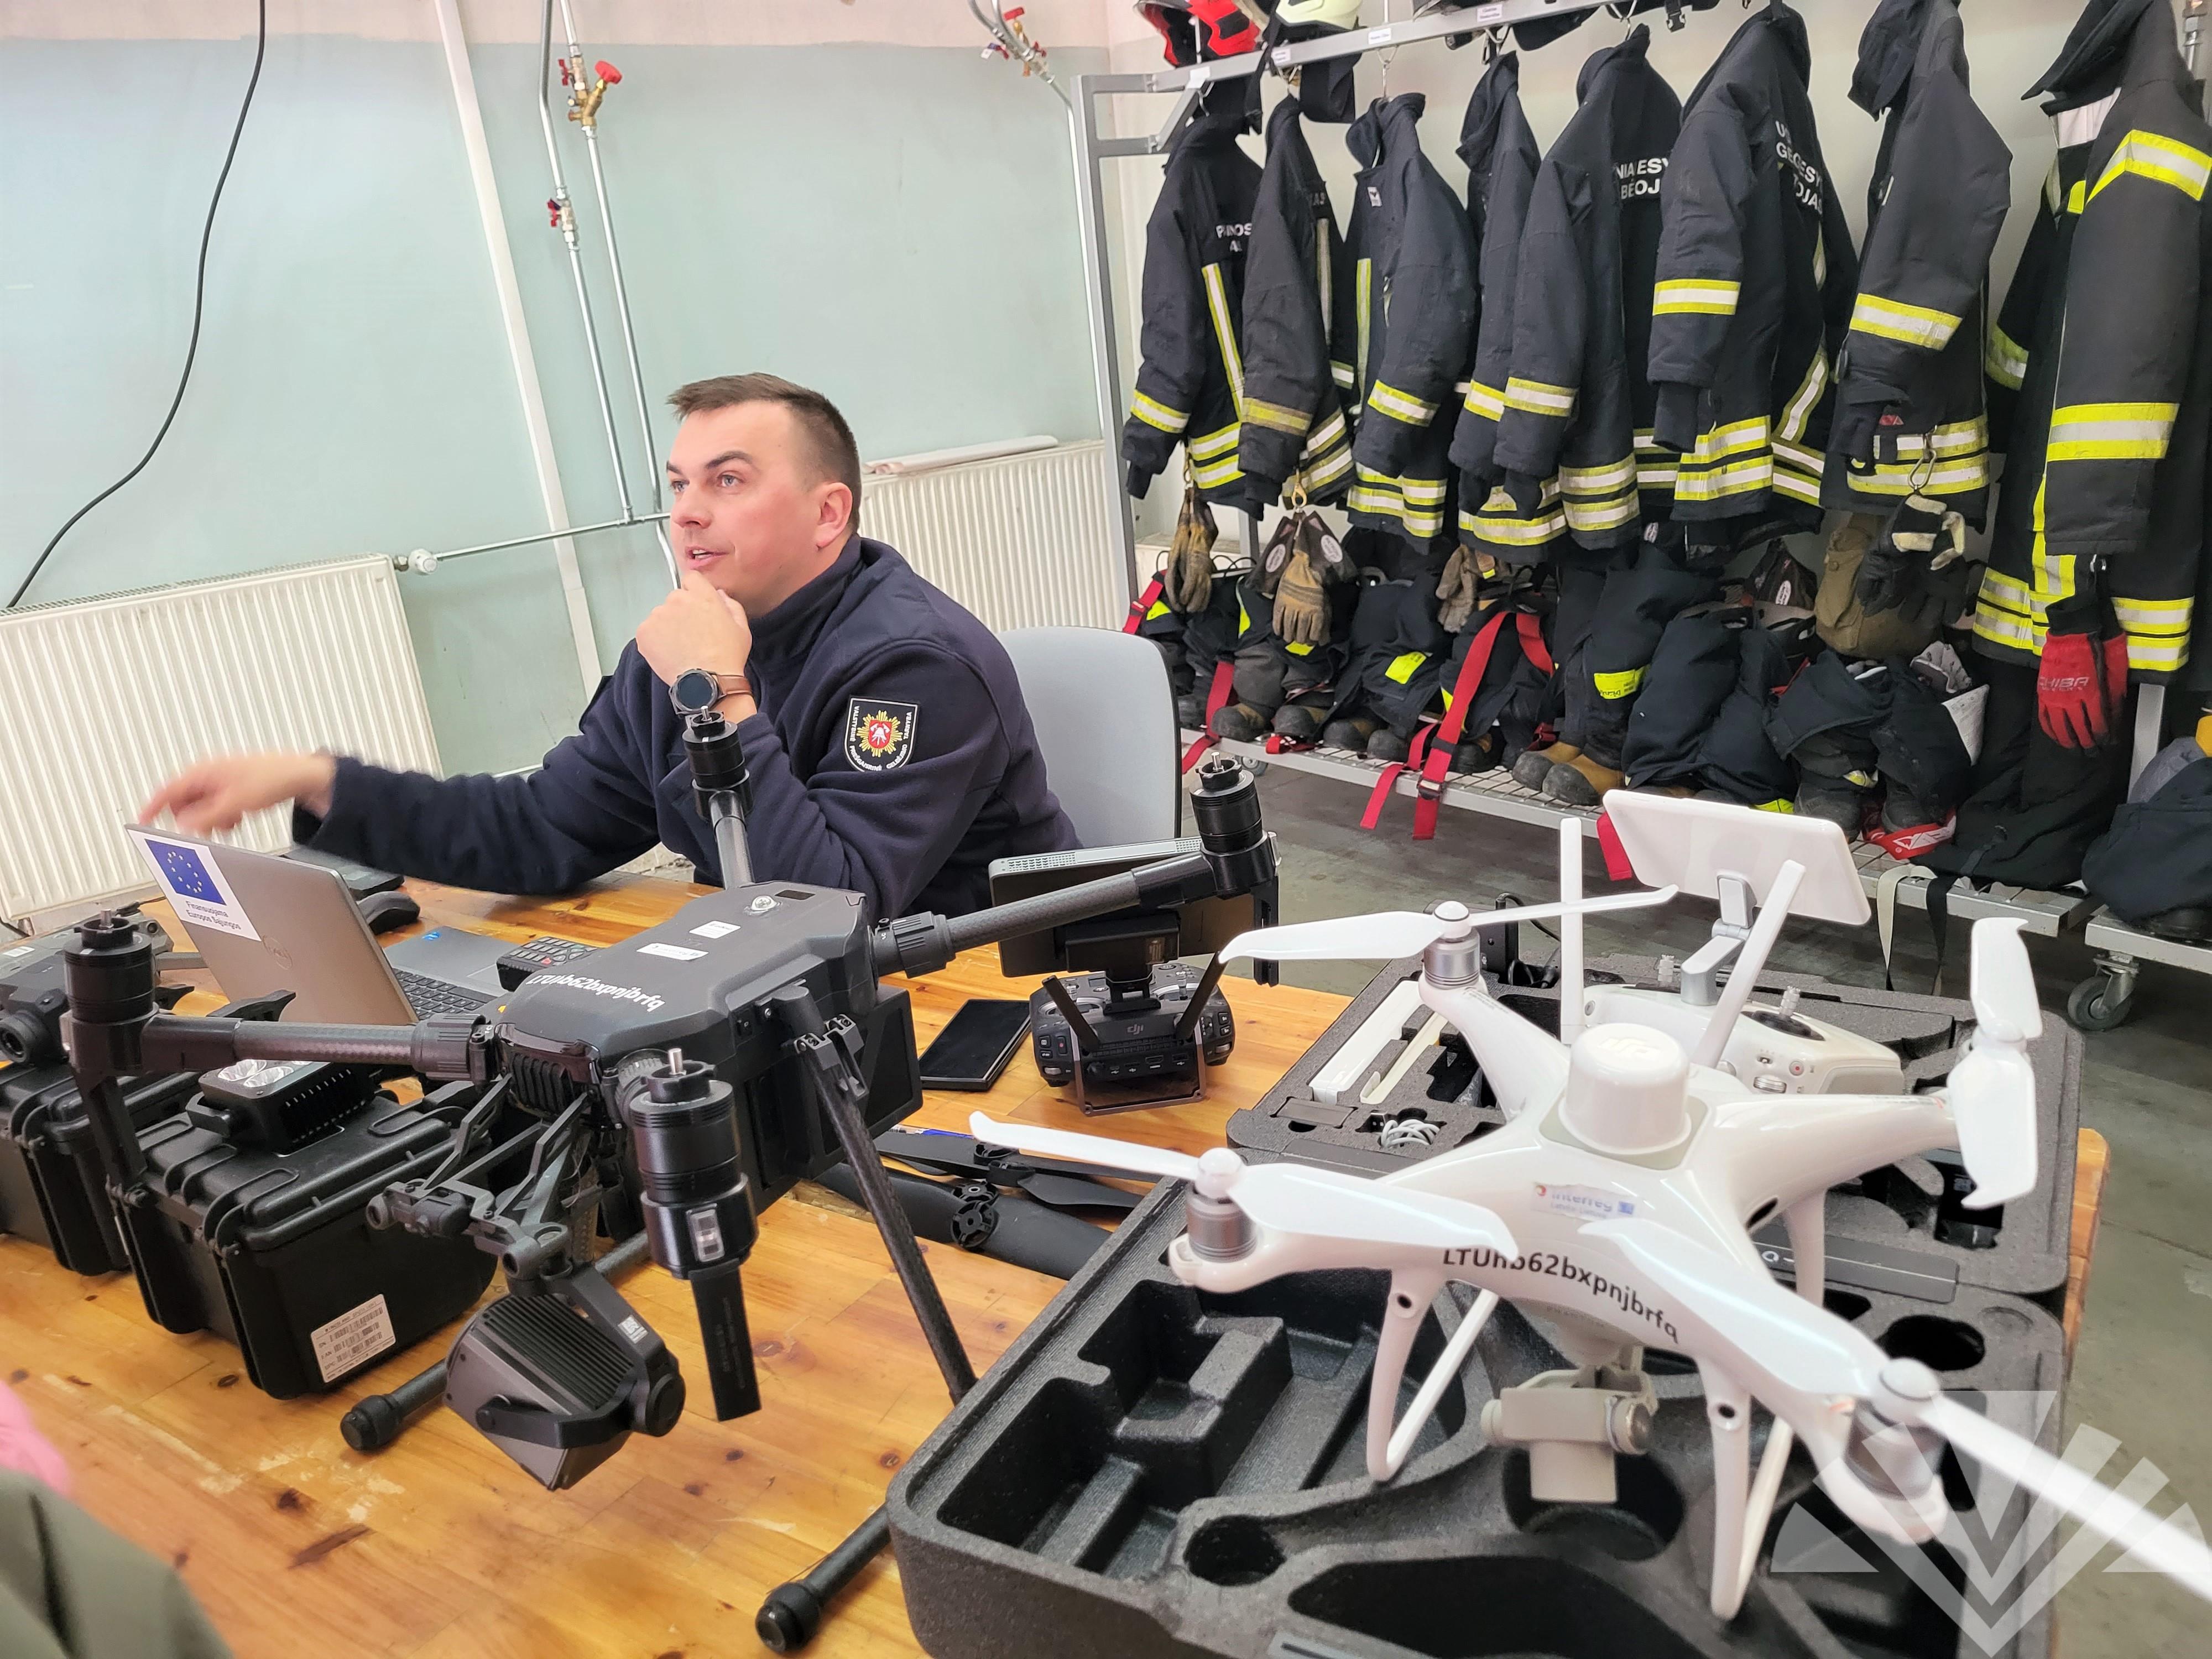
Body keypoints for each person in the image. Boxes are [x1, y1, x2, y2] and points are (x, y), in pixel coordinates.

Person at [141, 374, 1077, 917]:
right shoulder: (685, 646)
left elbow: (828, 906)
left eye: (728, 481)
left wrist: (718, 694)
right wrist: (321, 782)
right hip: (797, 1003)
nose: (689, 513)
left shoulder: (917, 664)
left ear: (829, 512)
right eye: (679, 484)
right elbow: (543, 828)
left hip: (982, 1011)